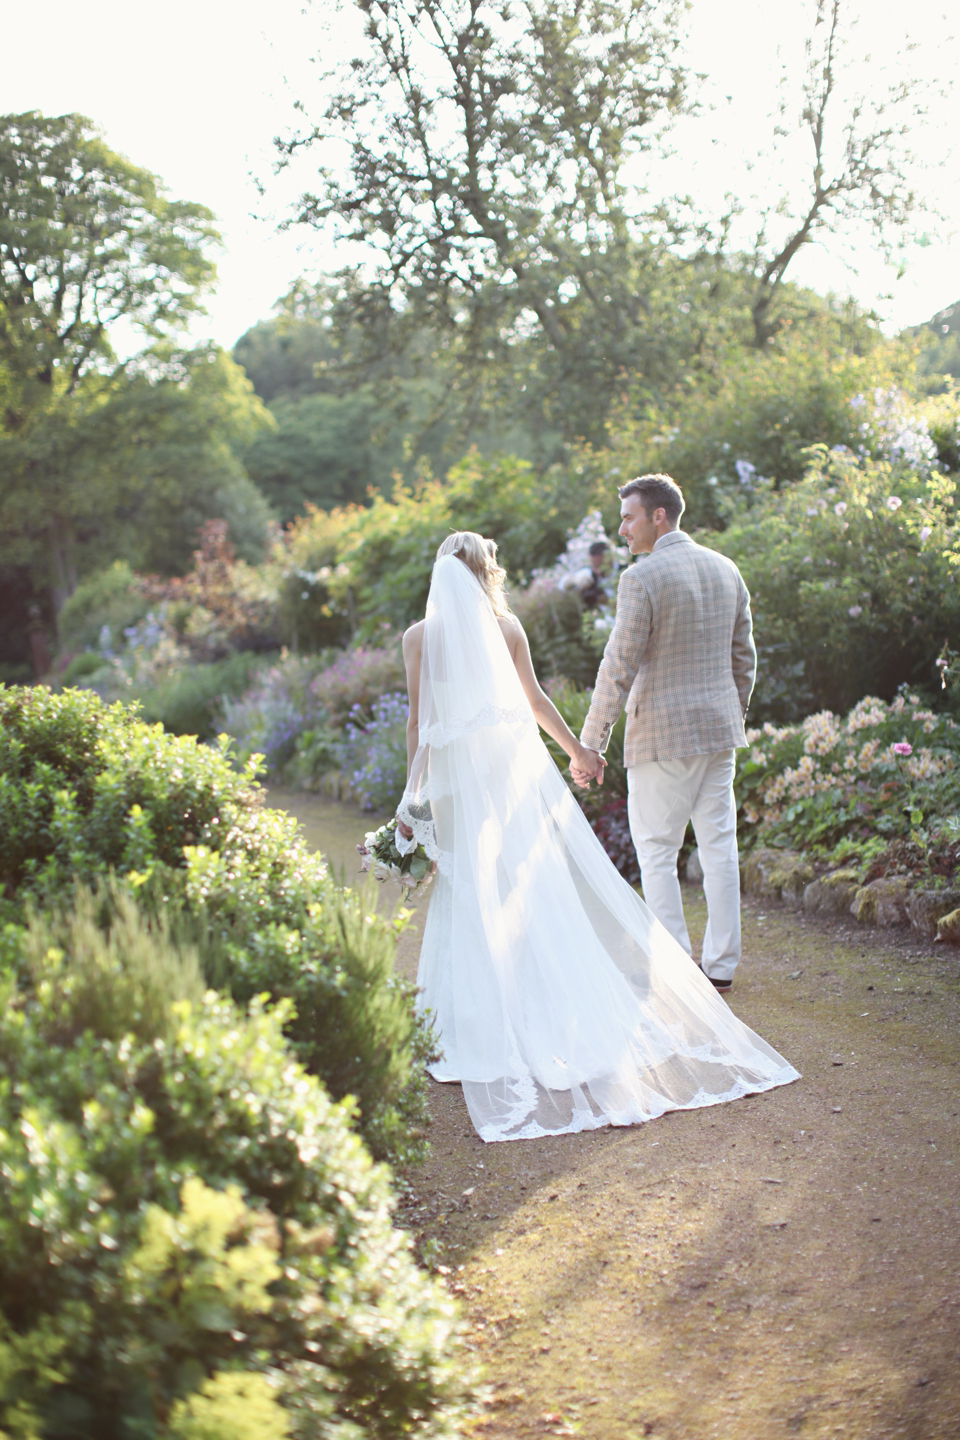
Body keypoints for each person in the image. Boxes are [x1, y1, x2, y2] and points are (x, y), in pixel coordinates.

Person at [395, 530, 797, 1143]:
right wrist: (578, 750)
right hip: (509, 775)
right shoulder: (506, 630)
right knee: (528, 890)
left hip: (452, 783)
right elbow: (534, 700)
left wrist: (410, 795)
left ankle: (467, 1027)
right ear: (484, 571)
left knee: (466, 892)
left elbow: (417, 723)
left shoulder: (417, 638)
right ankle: (537, 1013)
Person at [575, 473, 755, 994]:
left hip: (662, 735)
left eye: (628, 517)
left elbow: (618, 665)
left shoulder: (643, 578)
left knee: (656, 849)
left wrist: (592, 742)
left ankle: (677, 970)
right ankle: (720, 966)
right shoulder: (726, 569)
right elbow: (744, 658)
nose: (621, 529)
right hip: (719, 732)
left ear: (659, 516)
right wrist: (731, 711)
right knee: (719, 846)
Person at [560, 539, 611, 609]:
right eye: (595, 567)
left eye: (601, 566)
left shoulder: (625, 572)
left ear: (610, 559)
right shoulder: (589, 573)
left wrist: (609, 602)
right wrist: (576, 580)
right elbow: (562, 584)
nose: (598, 571)